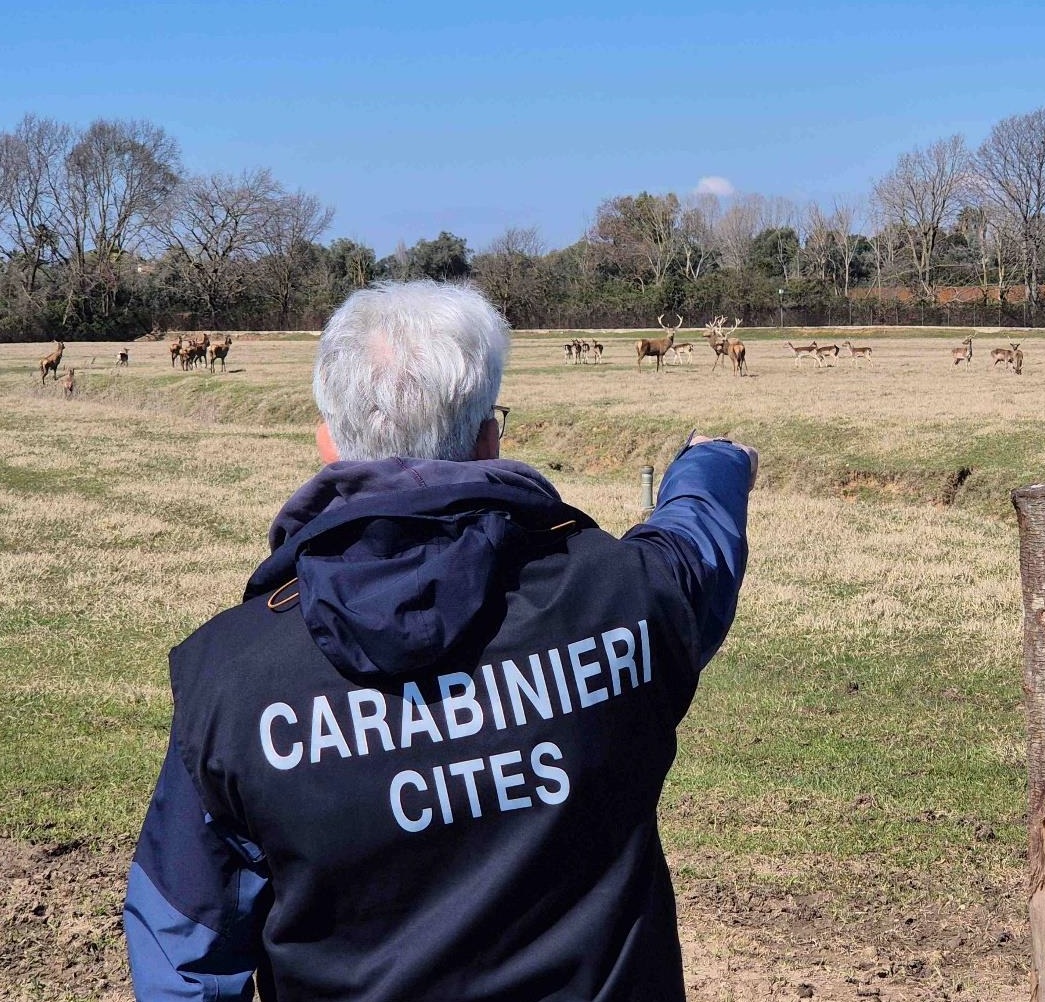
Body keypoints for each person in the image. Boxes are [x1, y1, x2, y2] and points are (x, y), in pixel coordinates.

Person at [124, 280, 757, 1001]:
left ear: (328, 444)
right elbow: (695, 551)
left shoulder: (229, 678)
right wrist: (713, 463)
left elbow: (183, 953)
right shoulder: (624, 597)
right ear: (489, 438)